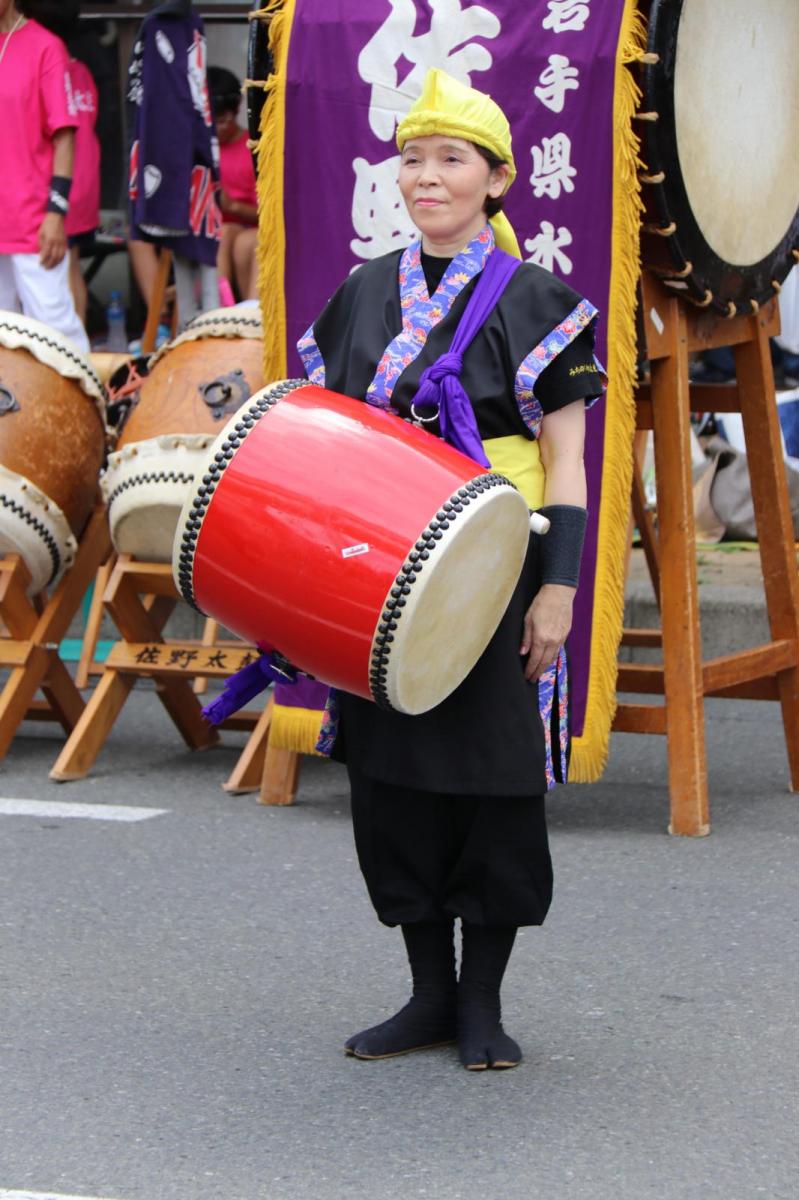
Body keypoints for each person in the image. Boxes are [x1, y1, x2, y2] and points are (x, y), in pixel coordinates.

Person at [297, 69, 604, 1071]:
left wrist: (556, 588)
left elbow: (565, 462)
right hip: (380, 569)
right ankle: (426, 993)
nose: (426, 178)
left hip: (494, 567)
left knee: (490, 779)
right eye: (414, 160)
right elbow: (329, 441)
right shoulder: (359, 294)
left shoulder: (540, 301)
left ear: (496, 179)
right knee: (389, 779)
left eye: (451, 161)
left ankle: (481, 1002)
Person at [0, 0, 88, 350]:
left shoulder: (45, 47)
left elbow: (64, 136)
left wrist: (56, 212)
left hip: (32, 220)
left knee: (56, 335)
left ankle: (86, 404)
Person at [207, 65, 258, 301]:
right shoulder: (200, 151)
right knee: (224, 234)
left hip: (249, 228)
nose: (216, 130)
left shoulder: (254, 149)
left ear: (237, 109)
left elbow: (274, 214)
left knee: (243, 240)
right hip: (215, 232)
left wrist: (234, 207)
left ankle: (249, 313)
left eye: (222, 121)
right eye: (208, 122)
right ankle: (219, 307)